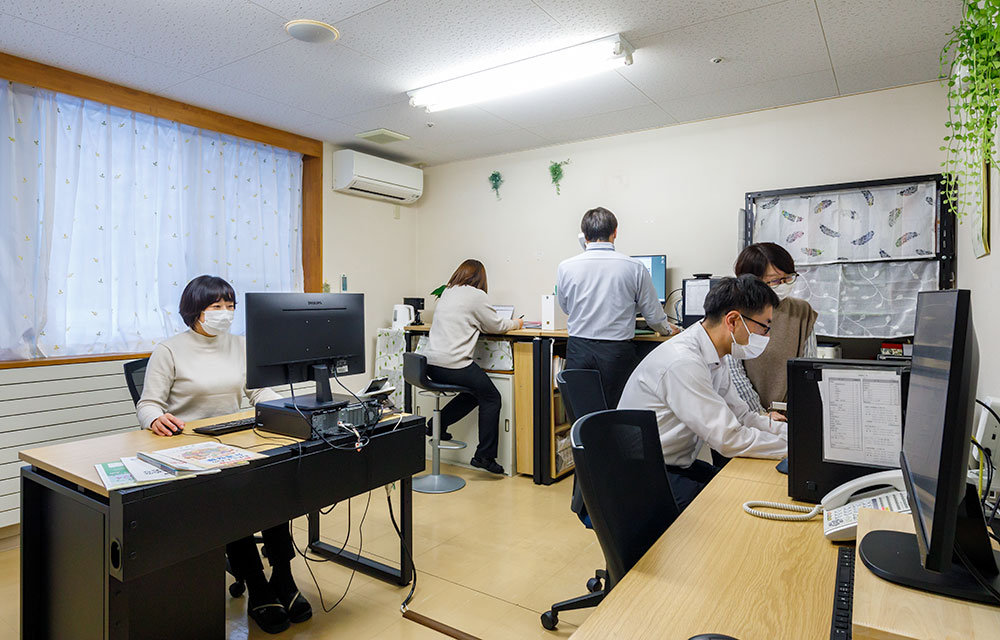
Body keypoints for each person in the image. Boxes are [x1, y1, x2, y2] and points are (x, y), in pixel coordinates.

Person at [136, 275, 309, 635]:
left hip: (238, 439)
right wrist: (156, 418)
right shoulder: (168, 350)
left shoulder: (240, 345)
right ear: (195, 309)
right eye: (217, 306)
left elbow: (258, 392)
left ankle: (284, 575)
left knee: (276, 484)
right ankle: (258, 587)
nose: (225, 313)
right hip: (190, 447)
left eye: (230, 306)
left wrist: (286, 409)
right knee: (233, 500)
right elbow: (148, 404)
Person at [618, 275, 788, 511]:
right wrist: (791, 449)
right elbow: (729, 439)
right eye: (764, 326)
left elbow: (742, 417)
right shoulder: (684, 361)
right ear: (733, 320)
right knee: (728, 510)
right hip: (643, 476)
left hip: (673, 465)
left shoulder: (715, 354)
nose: (766, 336)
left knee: (739, 489)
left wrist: (793, 436)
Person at [556, 207, 677, 408]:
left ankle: (583, 441)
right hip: (615, 353)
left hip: (578, 349)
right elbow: (653, 316)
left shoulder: (566, 267)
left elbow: (566, 307)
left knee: (583, 412)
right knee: (616, 412)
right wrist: (666, 329)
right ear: (615, 232)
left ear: (584, 235)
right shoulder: (634, 267)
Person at [421, 259, 523, 474]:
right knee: (492, 397)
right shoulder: (476, 296)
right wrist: (517, 324)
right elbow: (496, 326)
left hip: (430, 364)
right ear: (480, 277)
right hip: (453, 364)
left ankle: (436, 425)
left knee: (476, 393)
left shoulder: (448, 292)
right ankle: (484, 456)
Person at [729, 243, 818, 413]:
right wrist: (760, 414)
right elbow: (734, 374)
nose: (784, 284)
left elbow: (808, 366)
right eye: (775, 280)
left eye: (788, 278)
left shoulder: (802, 311)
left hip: (788, 413)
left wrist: (796, 409)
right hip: (744, 413)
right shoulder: (735, 313)